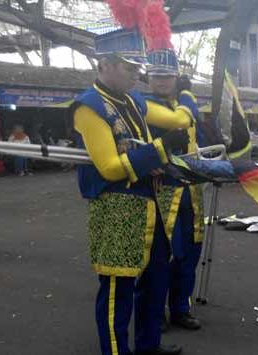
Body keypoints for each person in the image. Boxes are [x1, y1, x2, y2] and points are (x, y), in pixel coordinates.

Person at [72, 29, 187, 355]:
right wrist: (160, 149)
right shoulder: (89, 106)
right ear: (105, 64)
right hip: (116, 207)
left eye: (139, 68)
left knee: (155, 282)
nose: (138, 74)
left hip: (149, 203)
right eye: (130, 68)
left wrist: (187, 102)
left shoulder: (134, 100)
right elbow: (109, 167)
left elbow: (176, 118)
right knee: (116, 291)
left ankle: (149, 346)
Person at [144, 48, 206, 331]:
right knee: (161, 255)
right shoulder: (144, 105)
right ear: (148, 76)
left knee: (190, 251)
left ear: (176, 77)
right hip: (161, 188)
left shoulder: (184, 104)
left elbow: (199, 139)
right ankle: (156, 314)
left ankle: (181, 307)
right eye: (156, 76)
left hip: (190, 188)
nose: (161, 81)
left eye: (167, 76)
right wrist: (188, 98)